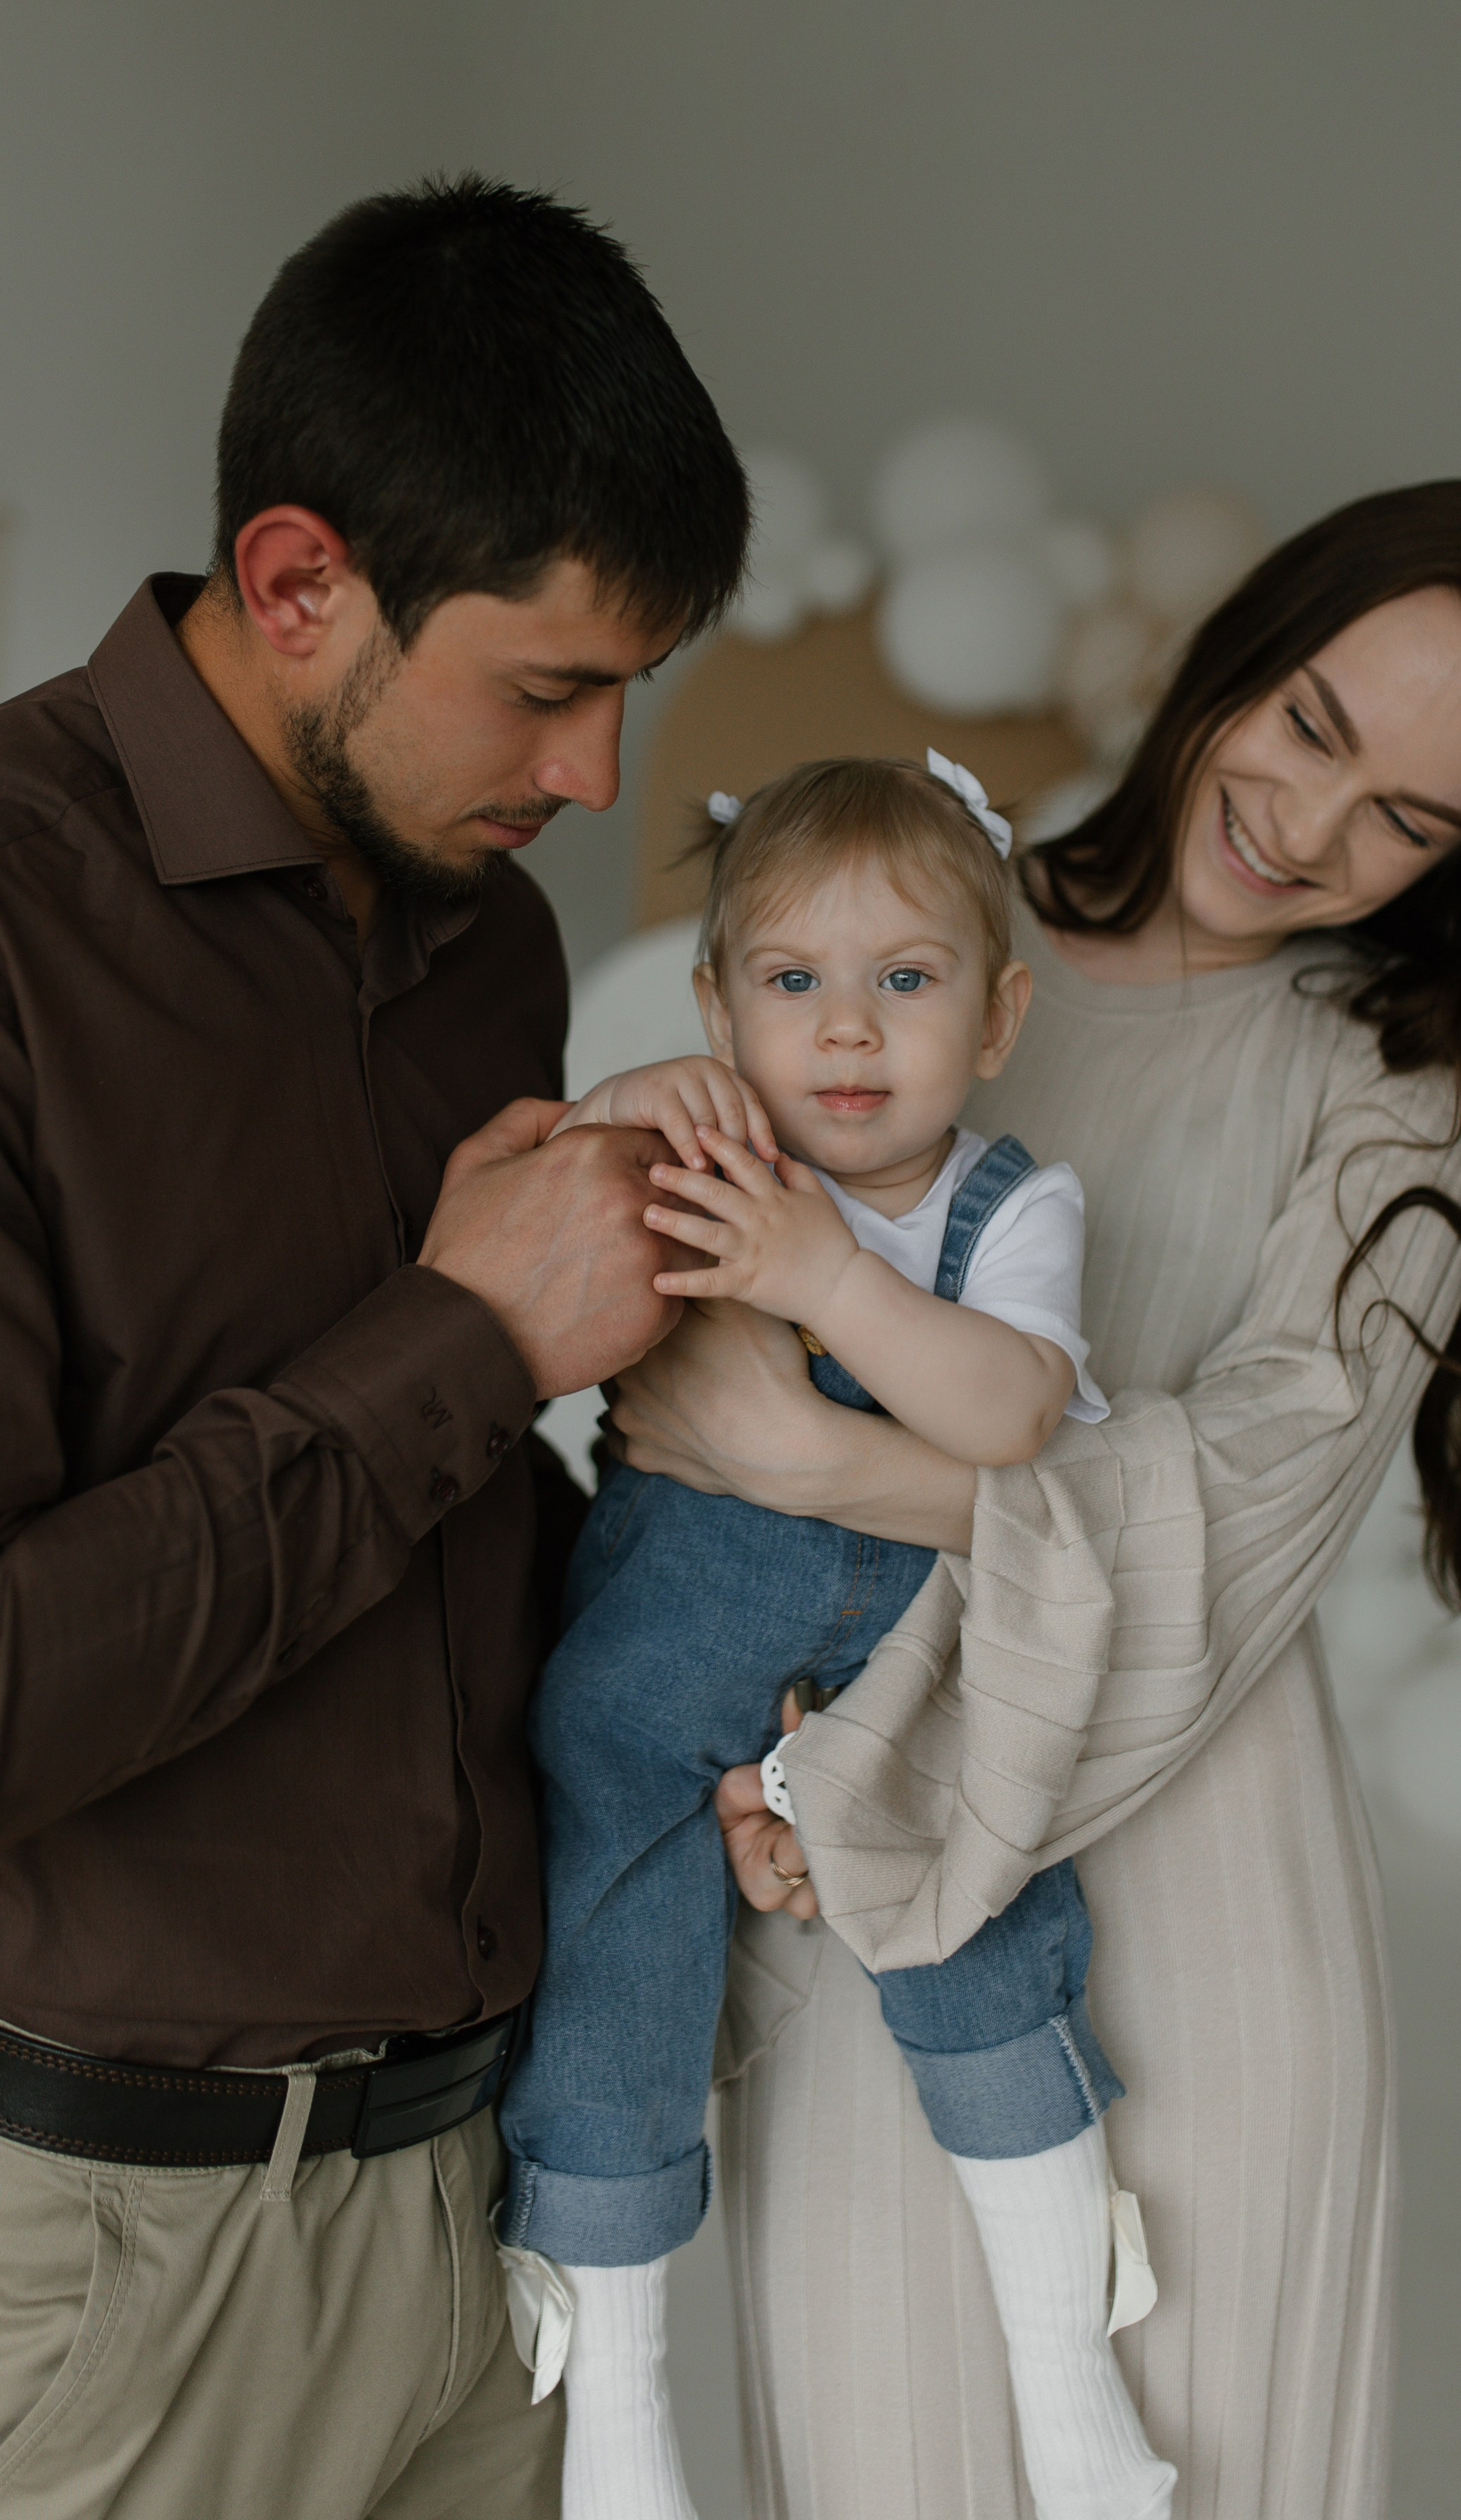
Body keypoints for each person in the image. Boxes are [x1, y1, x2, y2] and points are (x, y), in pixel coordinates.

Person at [610, 480, 1461, 2520]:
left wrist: (818, 1456)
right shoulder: (901, 940)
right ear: (1245, 646)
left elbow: (1236, 1513)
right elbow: (663, 1385)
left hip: (1205, 1902)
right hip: (860, 1831)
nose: (1311, 827)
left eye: (1411, 823)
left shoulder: (1405, 1096)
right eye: (1315, 725)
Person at [0, 174, 747, 2520]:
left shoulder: (481, 928)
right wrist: (471, 1331)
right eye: (552, 684)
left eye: (632, 694)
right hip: (109, 2278)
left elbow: (447, 1521)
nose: (596, 777)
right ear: (301, 587)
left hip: (485, 2216)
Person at [499, 752, 1173, 2520]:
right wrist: (628, 1101)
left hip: (905, 1674)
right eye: (792, 983)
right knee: (613, 1935)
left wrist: (822, 1280)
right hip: (663, 1656)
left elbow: (1014, 1413)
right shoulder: (697, 1150)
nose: (849, 1034)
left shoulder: (1007, 1207)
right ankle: (623, 2430)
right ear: (719, 1006)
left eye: (907, 979)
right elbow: (524, 1233)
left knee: (984, 1917)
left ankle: (1064, 2382)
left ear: (999, 1012)